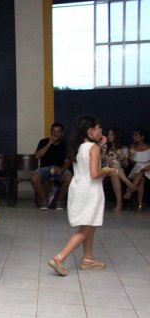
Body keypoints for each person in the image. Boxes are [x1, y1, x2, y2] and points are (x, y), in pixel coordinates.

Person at [48, 115, 117, 276]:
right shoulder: (94, 148)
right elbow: (94, 173)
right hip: (90, 190)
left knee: (89, 224)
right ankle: (60, 258)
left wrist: (100, 146)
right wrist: (108, 171)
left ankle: (88, 258)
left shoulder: (79, 147)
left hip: (79, 187)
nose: (101, 130)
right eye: (99, 128)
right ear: (90, 130)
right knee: (85, 229)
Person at [31, 122, 73, 210]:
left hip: (59, 169)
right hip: (44, 169)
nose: (55, 134)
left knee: (69, 178)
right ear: (50, 132)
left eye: (58, 132)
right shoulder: (43, 142)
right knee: (34, 178)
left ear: (62, 133)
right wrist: (49, 143)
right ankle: (44, 201)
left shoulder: (65, 145)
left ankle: (59, 201)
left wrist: (61, 169)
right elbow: (37, 156)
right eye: (53, 131)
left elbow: (67, 162)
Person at [102, 128, 136, 212]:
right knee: (112, 164)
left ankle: (119, 205)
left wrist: (122, 157)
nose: (109, 136)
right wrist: (104, 154)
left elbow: (126, 165)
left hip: (117, 171)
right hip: (105, 170)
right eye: (109, 134)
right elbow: (101, 161)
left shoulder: (123, 148)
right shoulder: (105, 146)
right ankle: (129, 184)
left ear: (117, 136)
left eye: (111, 134)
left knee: (115, 174)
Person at [124, 128, 150, 211]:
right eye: (133, 135)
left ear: (142, 137)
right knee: (141, 179)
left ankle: (130, 191)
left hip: (148, 167)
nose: (133, 137)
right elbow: (132, 163)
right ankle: (140, 205)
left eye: (136, 135)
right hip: (137, 168)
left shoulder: (149, 146)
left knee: (142, 170)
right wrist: (131, 156)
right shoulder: (132, 147)